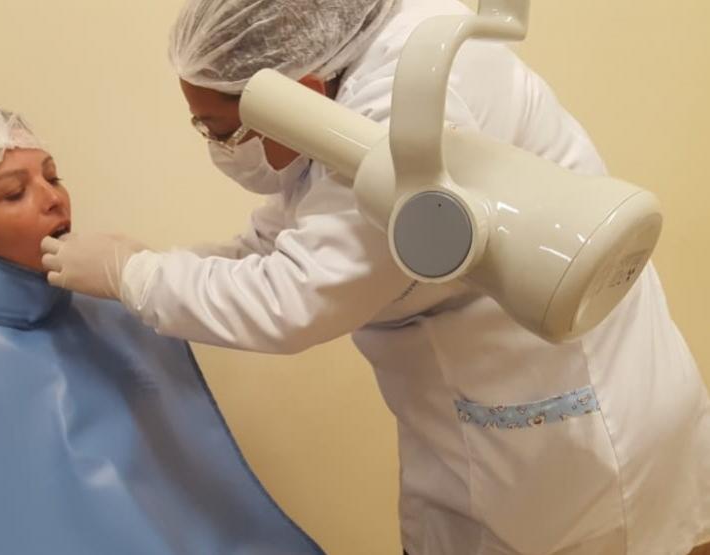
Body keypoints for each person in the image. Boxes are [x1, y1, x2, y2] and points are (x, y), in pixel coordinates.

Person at [40, 1, 710, 554]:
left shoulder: (407, 114)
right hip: (528, 404)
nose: (218, 150)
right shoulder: (357, 61)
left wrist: (136, 277)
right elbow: (297, 225)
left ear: (298, 95)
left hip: (562, 434)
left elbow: (294, 299)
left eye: (221, 132)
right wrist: (158, 264)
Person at [0, 107, 324, 555]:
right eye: (14, 193)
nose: (54, 199)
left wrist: (135, 276)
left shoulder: (123, 310)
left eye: (53, 177)